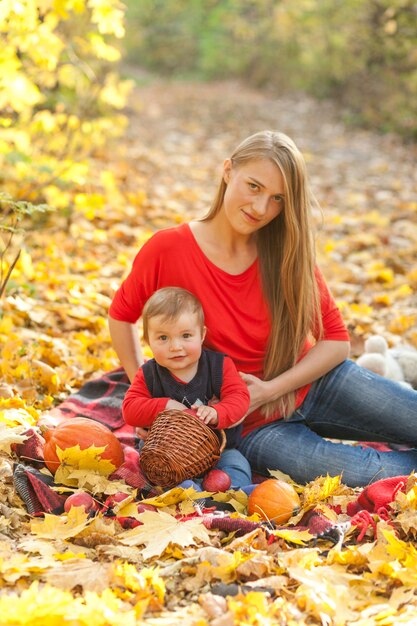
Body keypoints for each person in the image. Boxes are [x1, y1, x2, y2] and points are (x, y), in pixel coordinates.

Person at [109, 130, 417, 488]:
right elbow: (121, 316)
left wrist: (271, 389)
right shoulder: (168, 249)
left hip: (315, 382)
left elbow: (336, 341)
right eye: (253, 187)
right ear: (228, 171)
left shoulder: (285, 251)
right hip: (253, 426)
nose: (260, 208)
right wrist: (144, 392)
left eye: (277, 199)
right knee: (372, 473)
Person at [122, 286, 252, 489]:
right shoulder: (148, 374)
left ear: (201, 335)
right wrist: (167, 406)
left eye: (186, 336)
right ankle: (191, 495)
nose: (175, 346)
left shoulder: (219, 366)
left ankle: (230, 496)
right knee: (170, 481)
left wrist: (218, 412)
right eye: (163, 338)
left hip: (219, 451)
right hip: (167, 455)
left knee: (237, 467)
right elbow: (130, 409)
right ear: (148, 341)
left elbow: (240, 397)